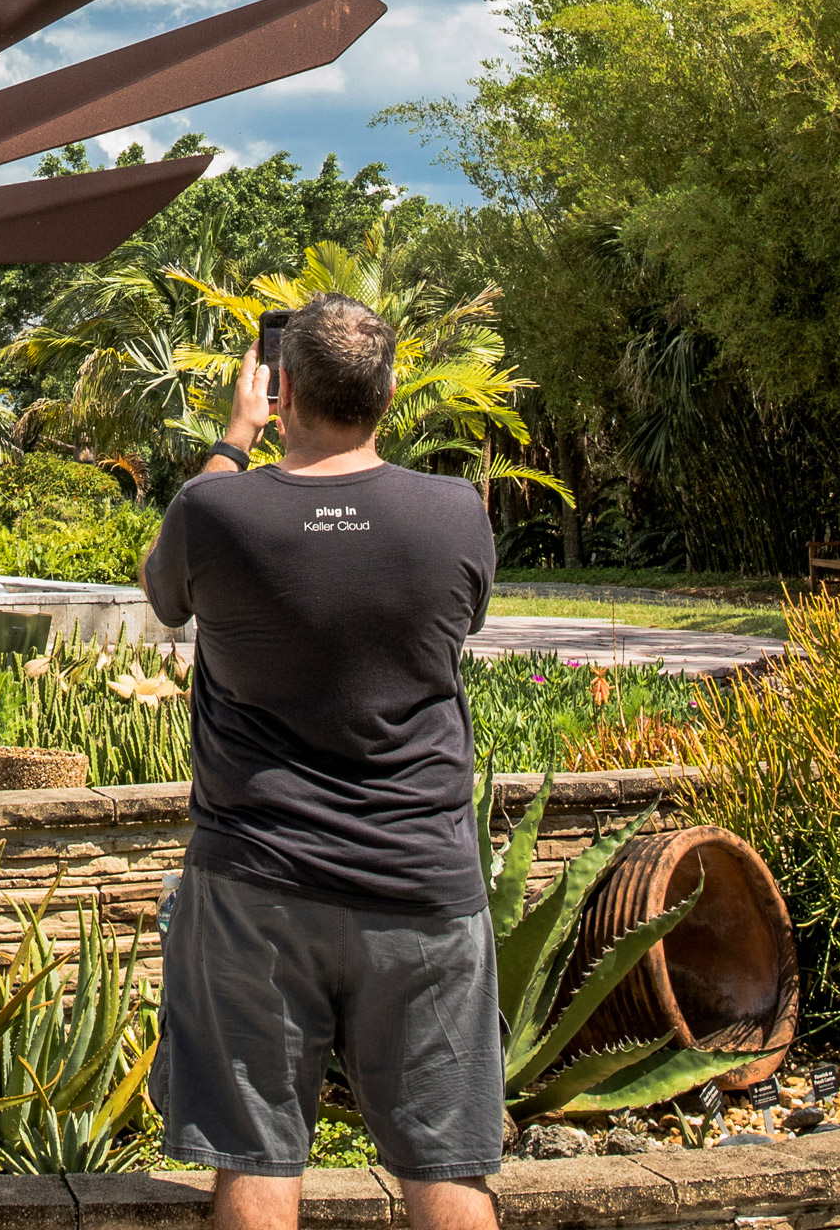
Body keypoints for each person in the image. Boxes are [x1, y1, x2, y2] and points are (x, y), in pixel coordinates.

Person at [141, 296, 502, 1230]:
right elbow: (460, 623)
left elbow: (162, 598)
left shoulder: (215, 511)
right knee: (449, 1169)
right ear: (387, 393)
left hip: (257, 885)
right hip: (421, 884)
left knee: (257, 1165)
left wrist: (233, 441)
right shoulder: (453, 513)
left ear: (281, 387)